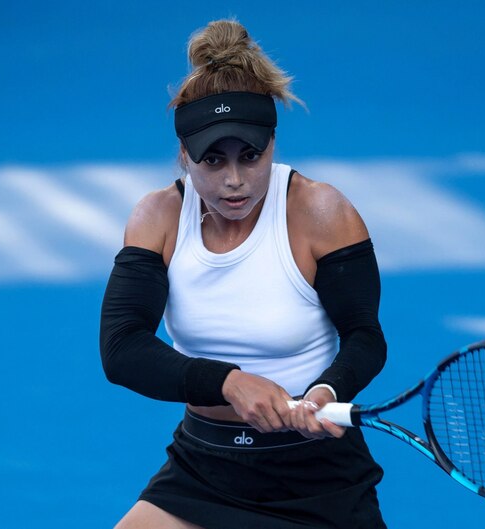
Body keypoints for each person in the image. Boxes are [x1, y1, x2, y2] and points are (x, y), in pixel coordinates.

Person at [100, 19, 387, 529]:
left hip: (317, 479)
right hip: (204, 469)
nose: (235, 180)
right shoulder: (158, 217)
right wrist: (228, 382)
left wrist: (326, 390)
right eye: (213, 159)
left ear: (272, 145)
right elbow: (121, 348)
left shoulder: (320, 211)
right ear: (185, 157)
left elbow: (365, 337)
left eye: (250, 156)